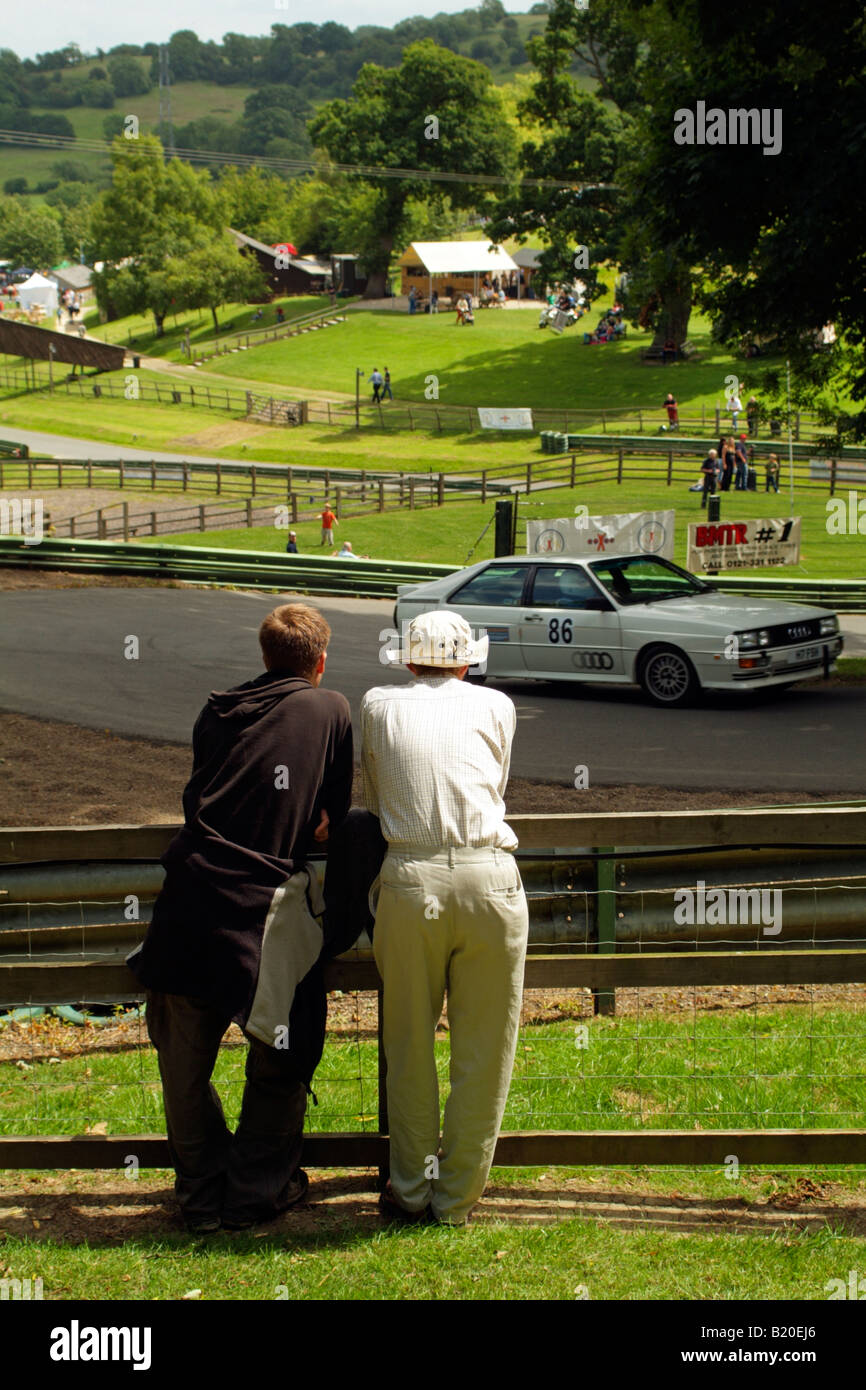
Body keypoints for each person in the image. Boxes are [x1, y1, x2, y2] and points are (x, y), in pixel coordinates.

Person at [128, 604, 354, 1233]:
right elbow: (331, 816)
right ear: (320, 661)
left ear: (263, 656)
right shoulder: (330, 708)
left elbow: (200, 791)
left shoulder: (216, 708)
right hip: (262, 913)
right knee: (283, 1055)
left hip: (188, 904)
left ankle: (201, 1196)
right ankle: (255, 1191)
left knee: (182, 1064)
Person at [361, 611, 529, 1227]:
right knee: (485, 1049)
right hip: (490, 876)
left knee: (407, 1043)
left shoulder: (378, 704)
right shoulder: (497, 705)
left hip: (411, 877)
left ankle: (409, 1187)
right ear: (466, 661)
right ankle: (456, 1197)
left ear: (409, 659)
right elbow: (497, 783)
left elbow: (377, 799)